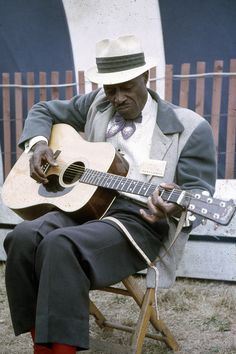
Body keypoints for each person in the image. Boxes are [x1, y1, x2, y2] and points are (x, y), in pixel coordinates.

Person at [4, 35, 216, 353]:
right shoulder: (97, 104)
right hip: (88, 208)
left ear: (146, 77)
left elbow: (198, 193)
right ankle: (42, 343)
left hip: (140, 223)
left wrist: (172, 206)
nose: (116, 98)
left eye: (125, 87)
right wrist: (38, 145)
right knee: (22, 238)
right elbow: (42, 110)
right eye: (109, 89)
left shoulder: (190, 128)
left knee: (60, 245)